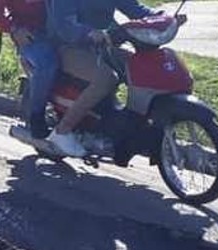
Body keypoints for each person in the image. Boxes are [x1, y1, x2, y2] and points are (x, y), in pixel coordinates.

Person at [45, 0, 163, 156]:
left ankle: (129, 126)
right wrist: (88, 32)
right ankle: (62, 131)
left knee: (139, 66)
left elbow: (135, 8)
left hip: (102, 45)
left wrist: (161, 18)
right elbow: (65, 27)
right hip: (68, 47)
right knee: (106, 79)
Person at [0, 0, 58, 140]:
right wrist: (14, 28)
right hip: (32, 35)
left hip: (66, 30)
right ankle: (36, 118)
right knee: (47, 64)